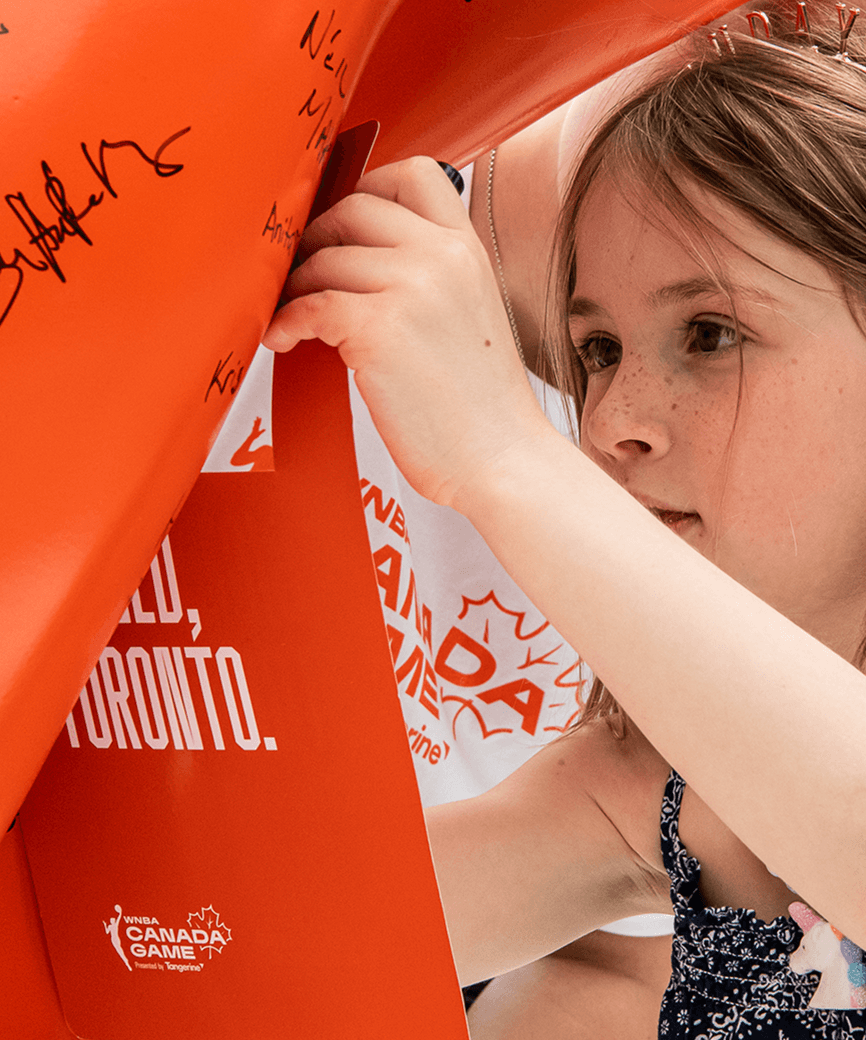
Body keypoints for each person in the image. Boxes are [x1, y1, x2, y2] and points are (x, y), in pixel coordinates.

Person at [264, 2, 866, 1035]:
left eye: (710, 333)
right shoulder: (655, 787)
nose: (614, 425)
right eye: (596, 353)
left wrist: (503, 456)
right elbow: (243, 941)